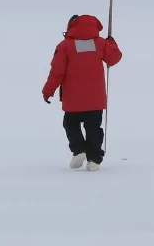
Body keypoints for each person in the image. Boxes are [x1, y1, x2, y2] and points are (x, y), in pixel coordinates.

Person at [42, 15, 122, 171]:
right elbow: (114, 58)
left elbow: (57, 72)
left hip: (73, 100)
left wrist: (48, 91)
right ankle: (94, 160)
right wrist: (111, 43)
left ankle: (79, 150)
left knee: (70, 124)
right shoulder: (100, 44)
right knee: (93, 129)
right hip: (95, 99)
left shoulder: (65, 46)